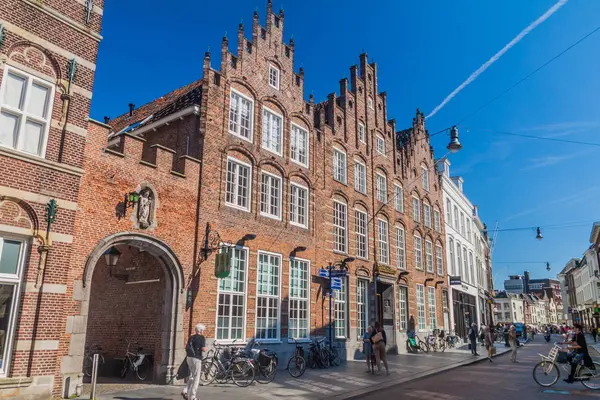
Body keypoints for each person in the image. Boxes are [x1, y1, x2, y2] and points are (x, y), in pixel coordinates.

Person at [182, 323, 207, 400]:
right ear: (201, 330)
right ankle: (192, 396)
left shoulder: (191, 337)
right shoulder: (202, 338)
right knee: (196, 378)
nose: (203, 332)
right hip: (197, 358)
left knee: (191, 375)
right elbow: (203, 349)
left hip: (189, 358)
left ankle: (185, 390)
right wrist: (206, 348)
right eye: (203, 330)